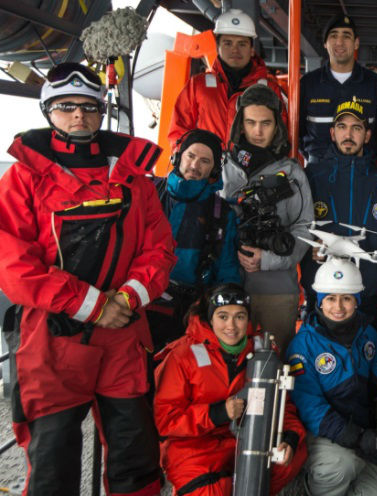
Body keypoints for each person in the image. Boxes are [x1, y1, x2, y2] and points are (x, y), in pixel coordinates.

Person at [0, 62, 175, 495]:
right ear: (48, 112)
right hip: (52, 338)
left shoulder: (135, 177)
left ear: (102, 111)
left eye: (88, 107)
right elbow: (14, 265)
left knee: (136, 454)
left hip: (122, 335)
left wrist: (128, 300)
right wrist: (97, 305)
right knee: (53, 459)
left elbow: (159, 248)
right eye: (65, 107)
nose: (78, 116)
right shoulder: (22, 179)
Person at [154, 284, 308, 495]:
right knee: (216, 490)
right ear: (210, 318)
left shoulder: (262, 353)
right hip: (196, 446)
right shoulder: (183, 355)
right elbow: (166, 420)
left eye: (240, 316)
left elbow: (283, 405)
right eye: (223, 316)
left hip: (249, 436)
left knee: (289, 458)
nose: (232, 326)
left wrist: (289, 438)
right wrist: (218, 413)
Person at [287, 257, 377, 496]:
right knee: (342, 467)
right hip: (322, 434)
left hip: (362, 430)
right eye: (330, 299)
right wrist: (356, 438)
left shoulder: (368, 335)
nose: (338, 307)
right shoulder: (304, 345)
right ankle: (308, 487)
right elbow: (309, 407)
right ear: (320, 301)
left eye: (346, 299)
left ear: (356, 301)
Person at [221, 84, 314, 355]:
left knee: (273, 367)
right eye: (251, 123)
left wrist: (269, 259)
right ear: (241, 124)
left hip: (275, 287)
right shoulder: (222, 164)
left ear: (277, 126)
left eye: (265, 123)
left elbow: (305, 227)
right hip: (225, 284)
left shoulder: (291, 172)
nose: (258, 131)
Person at [302, 101, 377, 327]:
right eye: (342, 127)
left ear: (367, 135)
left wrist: (376, 278)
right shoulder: (311, 177)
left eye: (356, 128)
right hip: (322, 292)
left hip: (367, 296)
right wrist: (310, 250)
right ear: (332, 133)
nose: (348, 134)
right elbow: (296, 229)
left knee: (365, 357)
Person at [148, 129, 241, 351]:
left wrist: (226, 311)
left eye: (204, 161)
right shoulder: (149, 192)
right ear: (178, 157)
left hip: (190, 311)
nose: (194, 165)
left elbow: (227, 268)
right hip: (142, 302)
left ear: (214, 169)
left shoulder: (222, 213)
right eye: (190, 156)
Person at [169, 9, 286, 146]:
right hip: (209, 166)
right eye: (228, 43)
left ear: (252, 49)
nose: (235, 50)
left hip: (252, 167)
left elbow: (281, 136)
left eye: (242, 44)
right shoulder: (198, 85)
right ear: (218, 46)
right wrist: (185, 158)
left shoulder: (270, 89)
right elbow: (179, 130)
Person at [300, 14, 377, 163]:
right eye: (333, 36)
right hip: (319, 173)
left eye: (346, 36)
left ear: (356, 43)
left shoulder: (373, 83)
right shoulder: (308, 84)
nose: (340, 42)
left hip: (362, 171)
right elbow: (298, 132)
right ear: (325, 43)